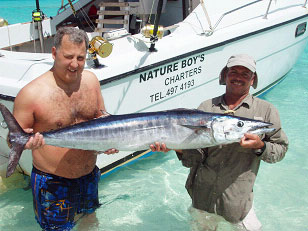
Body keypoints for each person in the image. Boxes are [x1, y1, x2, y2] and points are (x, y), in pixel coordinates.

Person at [150, 54, 289, 230]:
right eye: (234, 72)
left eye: (245, 74)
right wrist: (176, 148)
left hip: (237, 202)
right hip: (202, 197)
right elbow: (195, 158)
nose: (238, 77)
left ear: (253, 79)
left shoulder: (266, 110)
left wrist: (260, 147)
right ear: (225, 75)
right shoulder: (207, 108)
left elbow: (281, 150)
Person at [12, 27, 118, 230]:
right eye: (68, 56)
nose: (74, 64)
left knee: (90, 222)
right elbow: (14, 139)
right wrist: (26, 141)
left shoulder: (91, 81)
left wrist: (109, 143)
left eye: (80, 57)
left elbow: (101, 120)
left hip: (89, 175)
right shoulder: (31, 94)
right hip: (53, 182)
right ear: (54, 53)